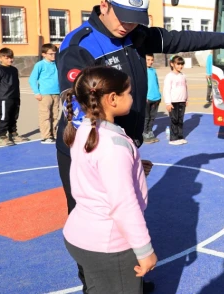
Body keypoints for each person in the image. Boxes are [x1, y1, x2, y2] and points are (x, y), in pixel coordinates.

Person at [56, 0, 224, 292]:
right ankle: (97, 283)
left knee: (128, 212)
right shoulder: (79, 44)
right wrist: (116, 156)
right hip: (89, 145)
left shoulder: (136, 33)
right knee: (98, 214)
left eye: (135, 19)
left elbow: (178, 38)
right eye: (122, 17)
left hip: (120, 144)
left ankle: (128, 275)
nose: (128, 26)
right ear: (104, 6)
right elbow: (80, 108)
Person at [61, 66, 156, 293]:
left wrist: (133, 170)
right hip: (109, 245)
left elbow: (94, 171)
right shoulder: (113, 145)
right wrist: (144, 251)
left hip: (81, 235)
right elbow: (124, 205)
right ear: (112, 99)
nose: (133, 97)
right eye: (129, 92)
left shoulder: (84, 129)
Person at [0, 47, 27, 146]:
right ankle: (1, 136)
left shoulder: (14, 70)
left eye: (11, 58)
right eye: (6, 58)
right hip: (4, 98)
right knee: (4, 117)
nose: (10, 60)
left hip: (15, 97)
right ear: (0, 58)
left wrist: (17, 95)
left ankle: (13, 134)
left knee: (13, 116)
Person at [29, 43, 61, 144]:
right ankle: (46, 136)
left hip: (57, 93)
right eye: (51, 54)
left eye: (54, 53)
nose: (53, 56)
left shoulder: (57, 63)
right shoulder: (40, 65)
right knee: (45, 115)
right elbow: (32, 79)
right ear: (44, 54)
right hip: (45, 94)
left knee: (55, 115)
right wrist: (36, 92)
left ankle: (54, 134)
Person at [163, 55, 188, 145]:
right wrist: (168, 103)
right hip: (173, 102)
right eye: (178, 64)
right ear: (172, 64)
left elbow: (185, 88)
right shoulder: (169, 76)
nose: (180, 66)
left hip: (182, 101)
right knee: (174, 120)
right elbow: (167, 90)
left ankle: (180, 137)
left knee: (180, 120)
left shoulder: (183, 76)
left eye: (181, 64)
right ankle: (173, 139)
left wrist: (186, 99)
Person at [142, 54, 161, 144]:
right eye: (148, 59)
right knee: (146, 117)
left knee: (152, 117)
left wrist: (159, 94)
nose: (150, 61)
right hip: (147, 98)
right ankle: (145, 133)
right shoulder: (142, 71)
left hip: (156, 98)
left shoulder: (153, 70)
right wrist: (143, 96)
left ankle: (150, 132)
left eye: (152, 60)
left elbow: (156, 83)